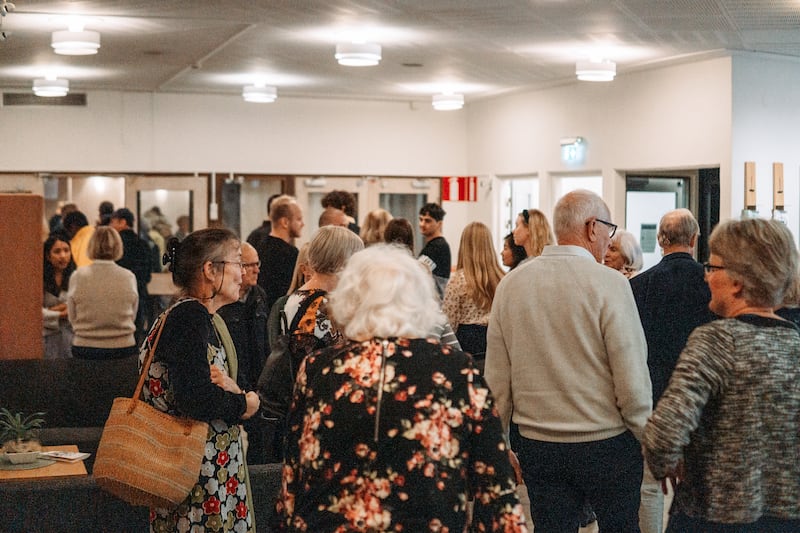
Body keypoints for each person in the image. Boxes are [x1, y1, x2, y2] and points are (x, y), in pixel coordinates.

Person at [275, 244, 528, 532]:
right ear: (420, 303)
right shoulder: (456, 371)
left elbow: (293, 475)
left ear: (350, 301)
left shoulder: (319, 368)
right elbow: (496, 492)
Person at [485, 189, 652, 532]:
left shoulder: (511, 285)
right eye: (610, 230)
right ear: (593, 227)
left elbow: (497, 380)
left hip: (538, 446)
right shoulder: (610, 285)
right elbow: (631, 380)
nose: (610, 240)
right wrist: (648, 438)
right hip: (606, 443)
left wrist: (498, 443)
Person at [643, 218, 800, 532]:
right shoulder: (795, 344)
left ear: (738, 281)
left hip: (710, 517)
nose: (706, 277)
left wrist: (667, 463)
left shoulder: (715, 341)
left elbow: (662, 436)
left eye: (712, 268)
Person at [141, 228, 260, 532]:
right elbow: (194, 396)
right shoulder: (189, 316)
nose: (242, 273)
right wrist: (243, 403)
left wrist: (232, 390)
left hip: (201, 471)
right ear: (210, 270)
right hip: (199, 475)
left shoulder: (190, 315)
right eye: (237, 263)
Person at [629, 208, 714, 533]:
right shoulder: (710, 284)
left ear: (660, 240)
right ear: (694, 239)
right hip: (702, 400)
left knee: (650, 486)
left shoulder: (639, 286)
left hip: (653, 392)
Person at [259, 226, 364, 461]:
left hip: (293, 410)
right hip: (317, 416)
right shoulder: (324, 307)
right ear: (342, 261)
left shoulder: (293, 299)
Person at [217, 242, 271, 464]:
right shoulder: (222, 302)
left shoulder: (259, 296)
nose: (257, 269)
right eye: (251, 265)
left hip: (258, 379)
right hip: (232, 379)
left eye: (258, 264)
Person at [67, 226, 138, 360]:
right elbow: (133, 314)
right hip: (123, 346)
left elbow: (72, 315)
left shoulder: (78, 276)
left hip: (85, 346)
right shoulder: (128, 276)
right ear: (118, 246)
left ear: (91, 245)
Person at [442, 222, 505, 373]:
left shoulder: (457, 281)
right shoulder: (503, 279)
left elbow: (448, 323)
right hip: (496, 346)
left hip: (467, 348)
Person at [110, 208, 154, 344]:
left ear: (123, 222)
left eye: (113, 222)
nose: (111, 226)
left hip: (118, 296)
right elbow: (148, 275)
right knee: (135, 337)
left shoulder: (115, 245)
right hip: (139, 294)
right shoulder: (144, 244)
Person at [255, 195, 305, 313]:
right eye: (299, 219)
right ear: (285, 222)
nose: (303, 224)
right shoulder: (290, 254)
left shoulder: (259, 246)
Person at [42, 234, 76, 359]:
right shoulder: (41, 279)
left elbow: (78, 307)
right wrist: (61, 313)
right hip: (47, 338)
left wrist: (50, 311)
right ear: (48, 256)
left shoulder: (76, 278)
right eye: (57, 251)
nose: (63, 256)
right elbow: (35, 314)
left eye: (66, 250)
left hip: (71, 337)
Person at [418, 202, 451, 298]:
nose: (422, 224)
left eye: (428, 221)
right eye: (421, 219)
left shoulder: (439, 246)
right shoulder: (431, 245)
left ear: (439, 224)